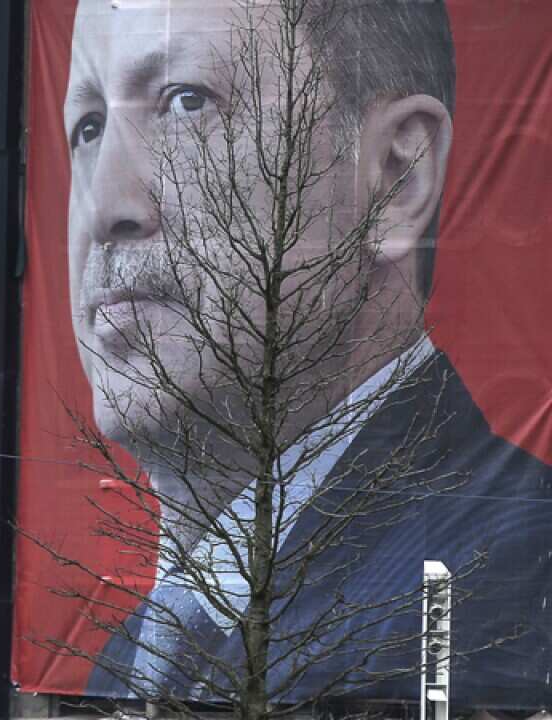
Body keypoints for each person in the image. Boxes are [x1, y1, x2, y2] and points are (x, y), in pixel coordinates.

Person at [62, 0, 552, 706]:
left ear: (394, 175)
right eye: (89, 127)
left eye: (186, 102)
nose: (104, 207)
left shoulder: (515, 583)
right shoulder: (132, 655)